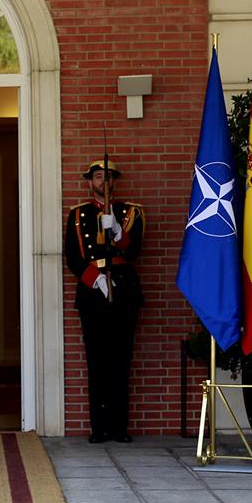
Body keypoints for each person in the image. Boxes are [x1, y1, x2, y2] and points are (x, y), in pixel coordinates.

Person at [64, 160, 145, 443]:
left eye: (108, 177)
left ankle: (119, 428)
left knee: (121, 359)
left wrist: (118, 234)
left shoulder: (131, 212)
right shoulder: (77, 215)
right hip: (92, 291)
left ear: (115, 182)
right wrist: (94, 279)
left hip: (123, 289)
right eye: (98, 177)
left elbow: (134, 250)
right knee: (96, 360)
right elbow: (72, 256)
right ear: (90, 183)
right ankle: (99, 428)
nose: (104, 181)